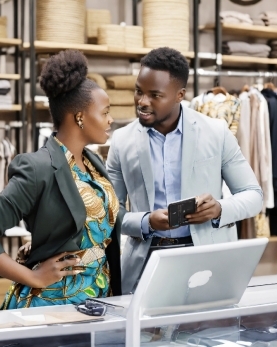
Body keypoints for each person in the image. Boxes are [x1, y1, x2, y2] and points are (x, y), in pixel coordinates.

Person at [0, 50, 123, 309]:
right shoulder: (38, 167)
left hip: (97, 299)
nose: (111, 119)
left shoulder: (94, 163)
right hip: (52, 304)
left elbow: (99, 224)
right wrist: (32, 276)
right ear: (79, 116)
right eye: (105, 112)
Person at [106, 47, 263, 294]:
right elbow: (109, 213)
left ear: (180, 95)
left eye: (155, 95)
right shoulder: (121, 140)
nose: (142, 102)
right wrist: (145, 221)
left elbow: (254, 196)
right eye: (139, 91)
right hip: (146, 262)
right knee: (144, 333)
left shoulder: (216, 132)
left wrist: (219, 209)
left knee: (204, 331)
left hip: (206, 259)